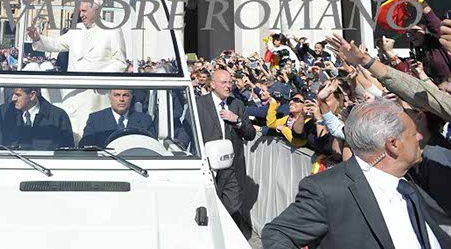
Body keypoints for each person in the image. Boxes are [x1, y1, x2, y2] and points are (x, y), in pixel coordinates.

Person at [261, 98, 449, 249]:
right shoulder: (328, 190)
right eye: (413, 134)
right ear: (393, 145)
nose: (420, 137)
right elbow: (278, 234)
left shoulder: (406, 185)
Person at [26, 0, 128, 138]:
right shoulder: (76, 30)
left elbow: (120, 62)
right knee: (73, 132)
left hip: (97, 94)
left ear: (96, 10)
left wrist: (99, 79)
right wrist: (38, 38)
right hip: (73, 93)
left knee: (94, 134)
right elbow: (55, 44)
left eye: (84, 11)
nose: (81, 15)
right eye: (80, 11)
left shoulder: (112, 29)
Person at [189, 70, 255, 218]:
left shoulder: (237, 104)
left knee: (232, 210)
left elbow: (250, 134)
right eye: (224, 82)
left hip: (232, 167)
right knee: (209, 209)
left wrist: (237, 120)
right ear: (213, 85)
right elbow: (188, 133)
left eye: (230, 82)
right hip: (208, 166)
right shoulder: (199, 104)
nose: (228, 86)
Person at [0, 87, 74, 150]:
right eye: (12, 94)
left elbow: (67, 153)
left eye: (18, 95)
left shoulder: (58, 117)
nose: (13, 98)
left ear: (32, 95)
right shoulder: (3, 113)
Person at [79, 89, 156, 147]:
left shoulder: (145, 120)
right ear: (109, 97)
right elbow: (85, 147)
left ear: (131, 97)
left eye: (125, 95)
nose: (121, 99)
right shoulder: (95, 119)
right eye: (117, 95)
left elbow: (153, 147)